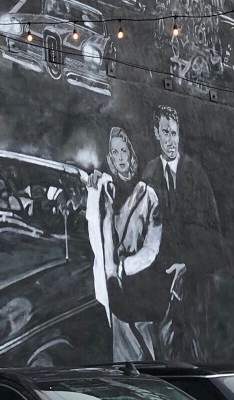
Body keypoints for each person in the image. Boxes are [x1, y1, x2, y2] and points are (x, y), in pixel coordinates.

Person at [141, 105, 224, 361]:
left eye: (174, 133)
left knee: (198, 357)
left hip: (195, 286)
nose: (171, 140)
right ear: (156, 133)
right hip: (163, 288)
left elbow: (212, 234)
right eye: (165, 132)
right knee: (167, 359)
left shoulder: (196, 174)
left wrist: (188, 264)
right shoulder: (149, 174)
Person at [92, 126, 165, 360]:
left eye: (124, 150)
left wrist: (123, 267)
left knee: (147, 359)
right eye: (115, 152)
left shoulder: (148, 196)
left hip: (142, 286)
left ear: (132, 153)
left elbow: (152, 249)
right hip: (116, 289)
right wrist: (111, 276)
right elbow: (104, 240)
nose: (121, 157)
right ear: (110, 158)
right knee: (122, 361)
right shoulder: (106, 195)